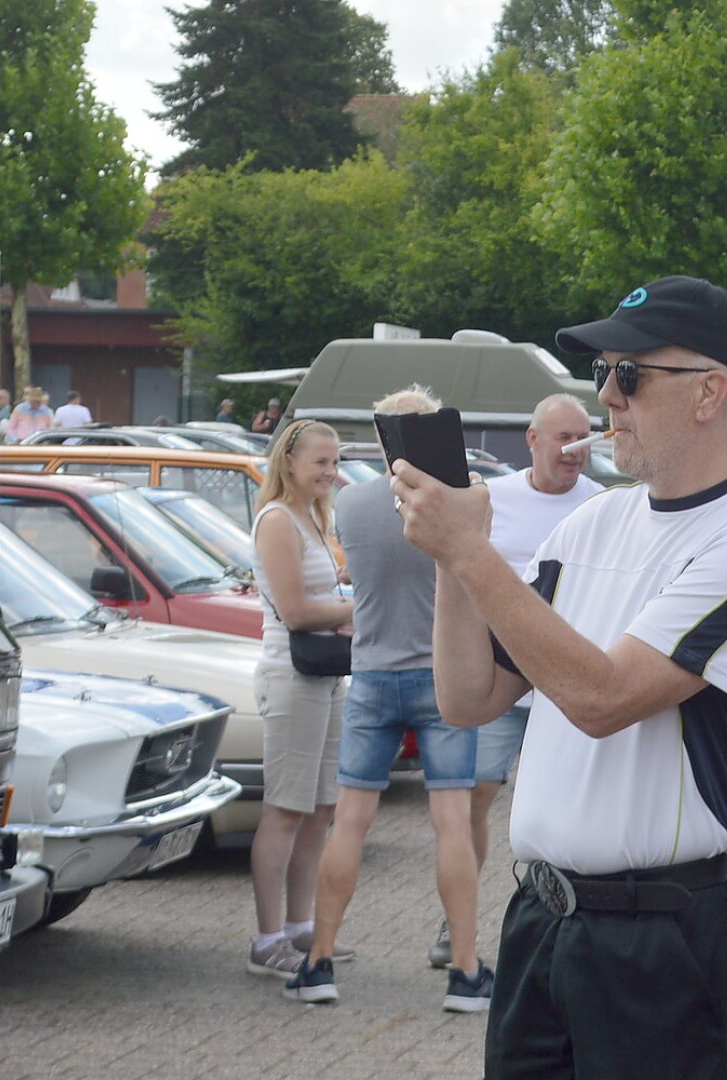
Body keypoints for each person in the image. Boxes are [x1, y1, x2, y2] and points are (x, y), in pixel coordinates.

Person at [390, 275, 727, 1078]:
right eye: (602, 375)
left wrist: (470, 553)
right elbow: (469, 697)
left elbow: (604, 698)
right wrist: (455, 556)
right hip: (544, 923)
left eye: (628, 375)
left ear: (709, 393)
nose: (607, 399)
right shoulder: (592, 519)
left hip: (668, 940)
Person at [284, 386, 490, 1012]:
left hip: (371, 672)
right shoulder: (458, 499)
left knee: (350, 820)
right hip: (441, 674)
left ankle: (319, 962)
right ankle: (464, 970)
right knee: (452, 821)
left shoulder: (352, 502)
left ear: (380, 439)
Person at [425, 392, 603, 970]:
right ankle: (460, 923)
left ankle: (564, 921)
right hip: (499, 676)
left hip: (566, 680)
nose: (573, 449)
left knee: (566, 798)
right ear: (532, 440)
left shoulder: (600, 506)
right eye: (562, 437)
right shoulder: (491, 502)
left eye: (582, 437)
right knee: (478, 795)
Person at [246, 419, 356, 977]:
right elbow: (294, 612)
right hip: (291, 676)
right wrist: (354, 612)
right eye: (321, 462)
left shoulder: (314, 517)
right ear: (288, 461)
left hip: (325, 676)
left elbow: (322, 598)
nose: (331, 473)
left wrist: (341, 608)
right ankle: (267, 941)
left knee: (320, 810)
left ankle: (300, 927)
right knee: (286, 809)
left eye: (335, 462)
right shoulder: (276, 520)